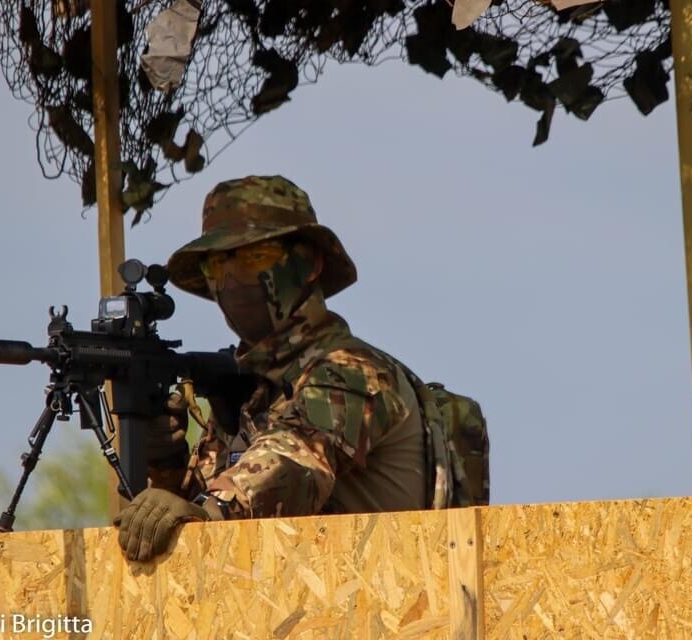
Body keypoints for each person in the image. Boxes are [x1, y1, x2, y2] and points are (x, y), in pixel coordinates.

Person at [115, 175, 475, 562]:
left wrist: (210, 507)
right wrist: (167, 468)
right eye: (217, 265)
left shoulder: (353, 371)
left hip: (383, 596)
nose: (233, 280)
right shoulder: (253, 395)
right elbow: (202, 523)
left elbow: (292, 463)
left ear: (311, 264)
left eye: (256, 257)